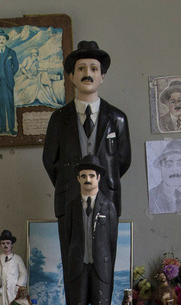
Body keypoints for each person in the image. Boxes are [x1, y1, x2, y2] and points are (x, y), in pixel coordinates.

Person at [42, 40, 132, 222]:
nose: (87, 74)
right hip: (68, 200)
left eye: (94, 69)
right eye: (81, 69)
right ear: (71, 76)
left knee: (104, 249)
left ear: (102, 76)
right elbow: (50, 160)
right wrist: (69, 182)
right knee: (71, 249)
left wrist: (102, 180)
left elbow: (123, 160)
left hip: (107, 198)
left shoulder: (117, 118)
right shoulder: (59, 119)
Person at [59, 155, 119, 305]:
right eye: (83, 175)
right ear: (77, 179)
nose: (87, 180)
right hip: (78, 267)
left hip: (100, 267)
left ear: (99, 178)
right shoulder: (72, 207)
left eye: (91, 176)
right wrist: (72, 262)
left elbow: (112, 242)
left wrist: (107, 266)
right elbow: (67, 239)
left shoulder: (108, 207)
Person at [0, 229, 28, 305]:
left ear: (12, 244)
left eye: (8, 243)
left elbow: (23, 274)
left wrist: (18, 286)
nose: (5, 245)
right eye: (3, 243)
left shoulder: (17, 258)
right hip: (1, 290)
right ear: (0, 244)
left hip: (13, 290)